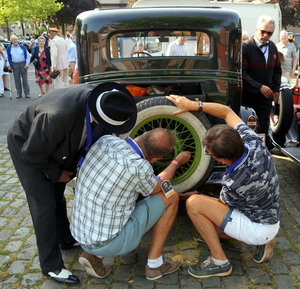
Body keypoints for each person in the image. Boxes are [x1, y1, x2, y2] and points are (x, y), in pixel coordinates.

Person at [7, 82, 138, 285]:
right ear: (98, 114)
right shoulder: (57, 115)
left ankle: (65, 239)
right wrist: (56, 173)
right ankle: (51, 266)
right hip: (28, 146)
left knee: (57, 195)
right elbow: (33, 152)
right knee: (44, 203)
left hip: (57, 145)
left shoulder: (103, 101)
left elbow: (93, 138)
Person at [166, 95, 280, 278]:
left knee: (196, 206)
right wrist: (192, 105)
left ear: (222, 159)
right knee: (211, 226)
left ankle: (219, 262)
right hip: (269, 217)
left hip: (258, 227)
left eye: (211, 155)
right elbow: (227, 112)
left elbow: (221, 206)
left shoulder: (234, 181)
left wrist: (187, 197)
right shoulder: (253, 142)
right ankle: (265, 239)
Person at [70, 128, 191, 280]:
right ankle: (155, 265)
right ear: (154, 159)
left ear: (144, 133)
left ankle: (93, 255)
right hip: (107, 242)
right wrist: (176, 161)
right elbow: (159, 186)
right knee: (171, 196)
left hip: (79, 233)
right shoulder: (139, 168)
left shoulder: (105, 140)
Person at [242, 15, 281, 147]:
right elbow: (242, 73)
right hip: (248, 95)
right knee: (248, 125)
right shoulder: (245, 47)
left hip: (267, 95)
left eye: (269, 33)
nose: (265, 35)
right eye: (262, 31)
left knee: (264, 124)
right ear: (256, 29)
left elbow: (277, 70)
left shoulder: (273, 47)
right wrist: (259, 87)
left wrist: (276, 88)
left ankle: (263, 152)